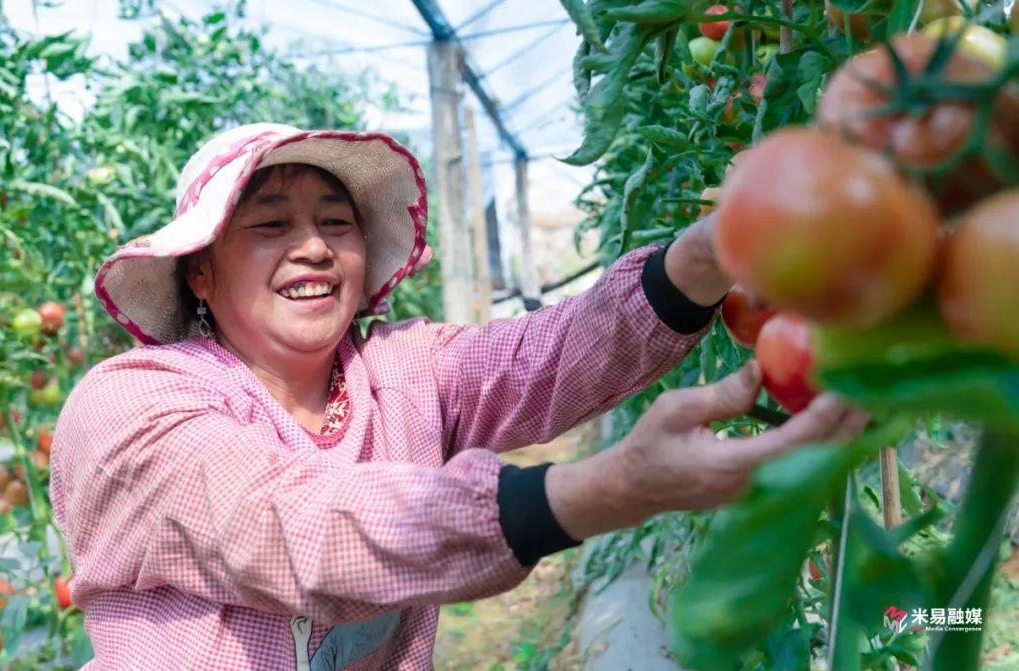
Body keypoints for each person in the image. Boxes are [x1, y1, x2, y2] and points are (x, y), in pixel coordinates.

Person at [51, 123, 866, 670]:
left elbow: (548, 357)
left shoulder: (401, 370)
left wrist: (708, 252)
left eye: (336, 223)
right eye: (269, 225)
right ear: (200, 267)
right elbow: (294, 527)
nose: (313, 247)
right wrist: (608, 487)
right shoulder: (130, 408)